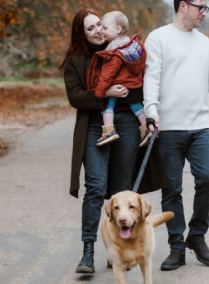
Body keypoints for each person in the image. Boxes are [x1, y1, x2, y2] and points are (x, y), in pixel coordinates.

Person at [143, 0, 209, 270]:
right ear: (183, 6)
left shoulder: (205, 44)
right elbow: (151, 78)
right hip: (168, 129)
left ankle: (196, 236)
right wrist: (152, 111)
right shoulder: (158, 38)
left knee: (208, 178)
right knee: (172, 189)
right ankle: (176, 247)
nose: (204, 12)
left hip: (200, 127)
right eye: (200, 6)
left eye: (206, 7)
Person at [60, 8, 163, 274]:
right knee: (95, 186)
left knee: (122, 188)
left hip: (127, 125)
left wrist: (146, 114)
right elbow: (75, 98)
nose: (97, 31)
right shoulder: (75, 61)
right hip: (95, 129)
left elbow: (138, 85)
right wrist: (104, 92)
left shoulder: (123, 49)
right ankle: (88, 251)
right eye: (90, 28)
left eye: (99, 25)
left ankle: (117, 248)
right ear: (81, 34)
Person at [87, 11, 152, 147]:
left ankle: (109, 130)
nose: (102, 31)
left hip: (119, 84)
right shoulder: (133, 46)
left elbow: (108, 74)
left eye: (105, 28)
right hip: (133, 84)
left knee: (107, 104)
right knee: (135, 105)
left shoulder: (115, 51)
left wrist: (100, 91)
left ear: (118, 29)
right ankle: (146, 128)